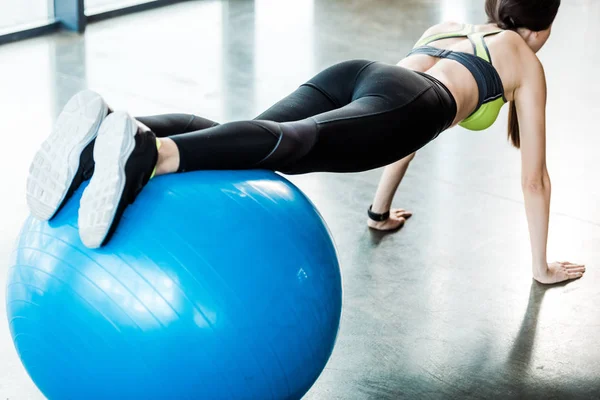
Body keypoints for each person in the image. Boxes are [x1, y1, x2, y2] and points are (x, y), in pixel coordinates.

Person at [26, 0, 585, 285]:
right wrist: (538, 267)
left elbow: (402, 121)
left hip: (364, 72)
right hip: (411, 102)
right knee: (289, 146)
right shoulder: (526, 60)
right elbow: (533, 178)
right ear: (542, 24)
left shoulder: (453, 28)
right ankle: (152, 154)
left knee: (244, 138)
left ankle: (116, 126)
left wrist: (378, 209)